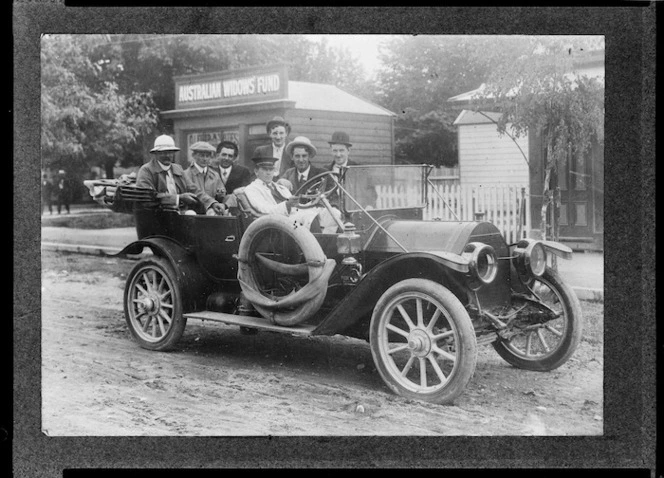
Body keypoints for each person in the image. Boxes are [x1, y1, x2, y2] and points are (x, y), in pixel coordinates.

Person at [136, 134, 225, 215]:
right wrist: (178, 198)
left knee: (194, 216)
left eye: (171, 152)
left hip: (179, 213)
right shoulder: (147, 170)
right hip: (157, 215)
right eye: (163, 152)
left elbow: (194, 190)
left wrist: (212, 203)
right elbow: (148, 197)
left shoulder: (177, 169)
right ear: (155, 154)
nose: (168, 155)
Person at [183, 141, 228, 215]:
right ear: (194, 156)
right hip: (193, 212)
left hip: (212, 211)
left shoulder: (215, 175)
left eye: (207, 156)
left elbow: (222, 196)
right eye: (202, 155)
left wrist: (221, 194)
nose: (205, 159)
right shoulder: (186, 174)